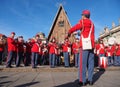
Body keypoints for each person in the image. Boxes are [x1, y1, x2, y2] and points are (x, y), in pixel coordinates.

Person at [68, 10, 95, 86]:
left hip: (84, 45)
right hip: (91, 45)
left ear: (83, 15)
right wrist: (79, 33)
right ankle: (90, 80)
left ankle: (82, 80)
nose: (81, 16)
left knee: (82, 63)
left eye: (82, 15)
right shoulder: (92, 24)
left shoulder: (82, 21)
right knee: (91, 63)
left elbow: (76, 27)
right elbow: (87, 32)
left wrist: (70, 32)